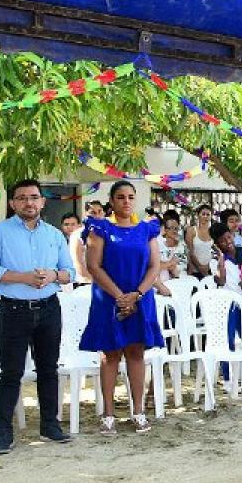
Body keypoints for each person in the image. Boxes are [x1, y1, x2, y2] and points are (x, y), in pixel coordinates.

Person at [0, 180, 75, 453]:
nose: (28, 203)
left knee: (48, 369)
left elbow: (70, 272)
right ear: (12, 203)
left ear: (42, 202)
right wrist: (23, 278)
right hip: (14, 311)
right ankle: (3, 433)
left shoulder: (54, 235)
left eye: (34, 197)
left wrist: (53, 275)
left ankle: (50, 425)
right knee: (11, 373)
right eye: (21, 198)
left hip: (49, 309)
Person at [79, 181, 165, 436]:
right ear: (112, 201)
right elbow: (93, 266)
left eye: (130, 197)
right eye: (120, 197)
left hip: (140, 298)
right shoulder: (100, 228)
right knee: (110, 354)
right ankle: (108, 414)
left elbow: (154, 266)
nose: (126, 201)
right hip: (108, 299)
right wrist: (120, 297)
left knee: (137, 352)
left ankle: (138, 411)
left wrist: (137, 295)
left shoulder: (147, 229)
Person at [153, 210, 187, 295]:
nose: (174, 231)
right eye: (171, 228)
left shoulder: (180, 244)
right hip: (160, 286)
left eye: (176, 228)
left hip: (177, 281)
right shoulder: (158, 243)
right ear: (165, 229)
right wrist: (170, 263)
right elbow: (154, 267)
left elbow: (175, 266)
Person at [71, 201, 106, 284]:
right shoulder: (77, 235)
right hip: (86, 283)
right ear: (86, 214)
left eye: (100, 211)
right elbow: (78, 265)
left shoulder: (108, 234)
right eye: (93, 213)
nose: (97, 216)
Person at [185, 204, 216, 277]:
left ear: (211, 216)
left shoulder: (213, 231)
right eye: (203, 214)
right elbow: (190, 252)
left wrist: (209, 266)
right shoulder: (191, 230)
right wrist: (200, 267)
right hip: (194, 270)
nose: (205, 216)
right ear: (198, 215)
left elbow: (216, 250)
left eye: (208, 214)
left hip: (209, 269)